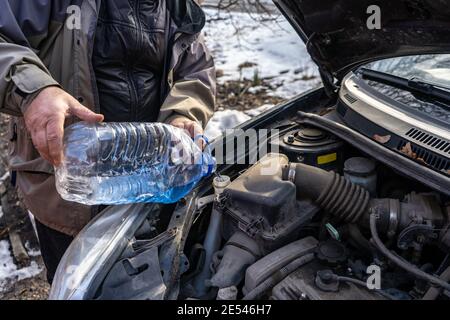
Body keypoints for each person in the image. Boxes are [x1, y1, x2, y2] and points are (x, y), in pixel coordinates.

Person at [0, 0, 216, 284]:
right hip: (68, 185)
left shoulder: (175, 6)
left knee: (144, 283)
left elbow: (196, 71)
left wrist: (182, 114)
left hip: (149, 186)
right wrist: (35, 89)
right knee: (78, 284)